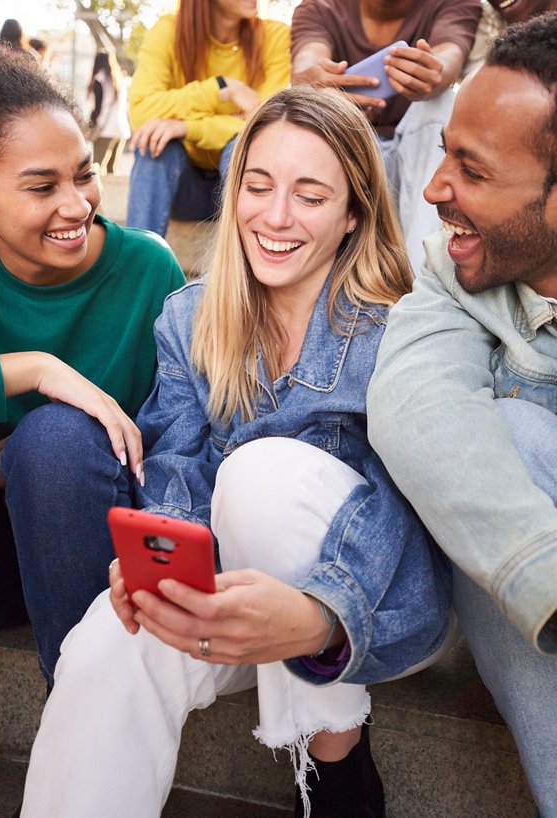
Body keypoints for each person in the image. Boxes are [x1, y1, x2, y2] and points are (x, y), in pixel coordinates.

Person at [19, 86, 454, 818]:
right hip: (237, 600)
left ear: (353, 213)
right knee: (101, 651)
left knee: (259, 474)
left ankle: (334, 754)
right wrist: (159, 566)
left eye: (310, 196)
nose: (275, 217)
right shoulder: (190, 317)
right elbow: (178, 468)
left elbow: (404, 508)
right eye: (257, 186)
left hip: (373, 611)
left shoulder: (401, 330)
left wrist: (321, 614)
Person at [0, 46, 184, 818]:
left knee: (54, 440)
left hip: (95, 570)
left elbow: (180, 440)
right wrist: (28, 370)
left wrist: (30, 449)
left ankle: (85, 725)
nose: (77, 204)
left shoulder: (148, 274)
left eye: (84, 173)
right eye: (41, 185)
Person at [367, 14, 557, 817]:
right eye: (444, 153)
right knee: (504, 445)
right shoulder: (453, 273)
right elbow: (417, 411)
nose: (434, 188)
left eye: (470, 169)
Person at [291, 0, 481, 276]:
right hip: (350, 145)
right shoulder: (321, 7)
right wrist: (311, 81)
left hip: (418, 153)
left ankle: (418, 281)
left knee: (440, 103)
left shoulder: (452, 4)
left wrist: (435, 72)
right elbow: (308, 58)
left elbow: (449, 54)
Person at [125, 0, 290, 238]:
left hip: (240, 187)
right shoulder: (168, 31)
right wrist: (222, 88)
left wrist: (187, 127)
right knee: (154, 145)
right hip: (180, 189)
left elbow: (270, 125)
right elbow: (142, 112)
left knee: (243, 144)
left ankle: (253, 258)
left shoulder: (275, 35)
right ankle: (140, 256)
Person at [86, 51, 131, 176]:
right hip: (121, 129)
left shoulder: (99, 79)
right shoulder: (120, 79)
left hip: (105, 130)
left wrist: (91, 125)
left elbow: (97, 108)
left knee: (97, 168)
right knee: (112, 170)